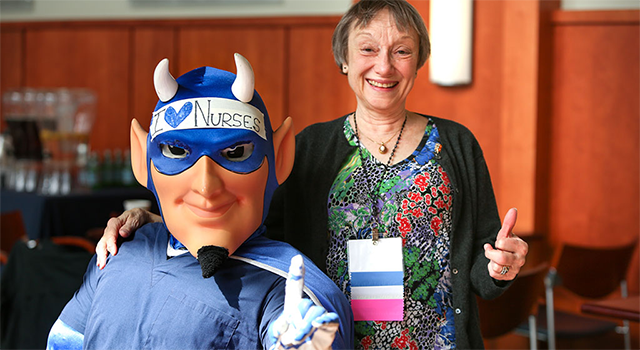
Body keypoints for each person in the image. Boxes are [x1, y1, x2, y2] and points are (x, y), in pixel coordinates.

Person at [96, 1, 529, 349]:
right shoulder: (312, 148)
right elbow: (250, 231)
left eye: (402, 50)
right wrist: (160, 224)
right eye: (367, 49)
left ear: (418, 63)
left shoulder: (456, 144)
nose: (384, 65)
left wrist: (502, 267)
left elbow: (484, 271)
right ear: (344, 59)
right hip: (326, 340)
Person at [46, 54, 354, 350]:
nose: (206, 185)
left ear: (281, 156)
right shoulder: (120, 251)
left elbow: (300, 329)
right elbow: (64, 340)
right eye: (177, 153)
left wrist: (304, 342)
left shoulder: (283, 285)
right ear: (142, 160)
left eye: (235, 154)